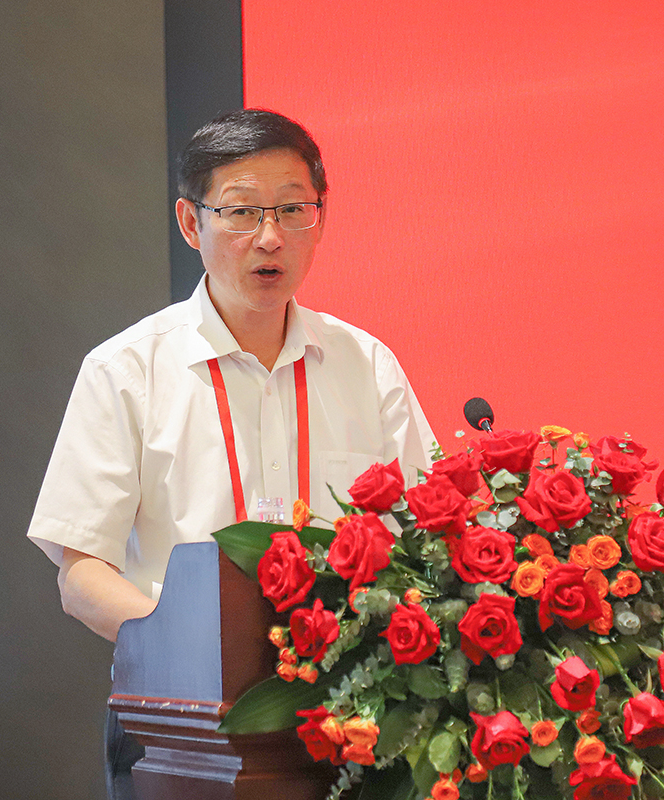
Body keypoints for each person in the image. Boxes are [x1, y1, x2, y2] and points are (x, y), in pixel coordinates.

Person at [26, 108, 438, 798]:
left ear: (320, 219)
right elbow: (81, 571)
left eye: (293, 210)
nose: (270, 237)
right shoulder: (126, 369)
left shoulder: (367, 366)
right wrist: (184, 650)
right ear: (191, 223)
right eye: (242, 212)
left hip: (347, 713)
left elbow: (425, 538)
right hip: (175, 718)